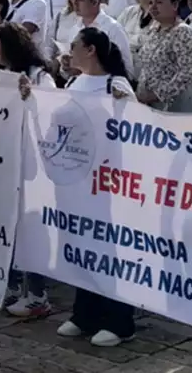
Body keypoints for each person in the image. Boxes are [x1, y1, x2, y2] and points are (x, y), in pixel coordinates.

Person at [55, 28, 136, 347]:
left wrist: (123, 106)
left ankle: (120, 319)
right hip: (77, 178)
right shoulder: (74, 83)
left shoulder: (115, 84)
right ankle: (84, 312)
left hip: (108, 180)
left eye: (74, 45)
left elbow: (135, 128)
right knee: (81, 244)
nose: (69, 50)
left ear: (90, 50)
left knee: (108, 248)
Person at [136, 0, 192, 111]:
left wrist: (157, 95)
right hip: (147, 106)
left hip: (173, 107)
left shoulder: (182, 32)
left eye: (159, 2)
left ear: (174, 5)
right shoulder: (153, 29)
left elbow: (187, 72)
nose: (153, 7)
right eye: (150, 3)